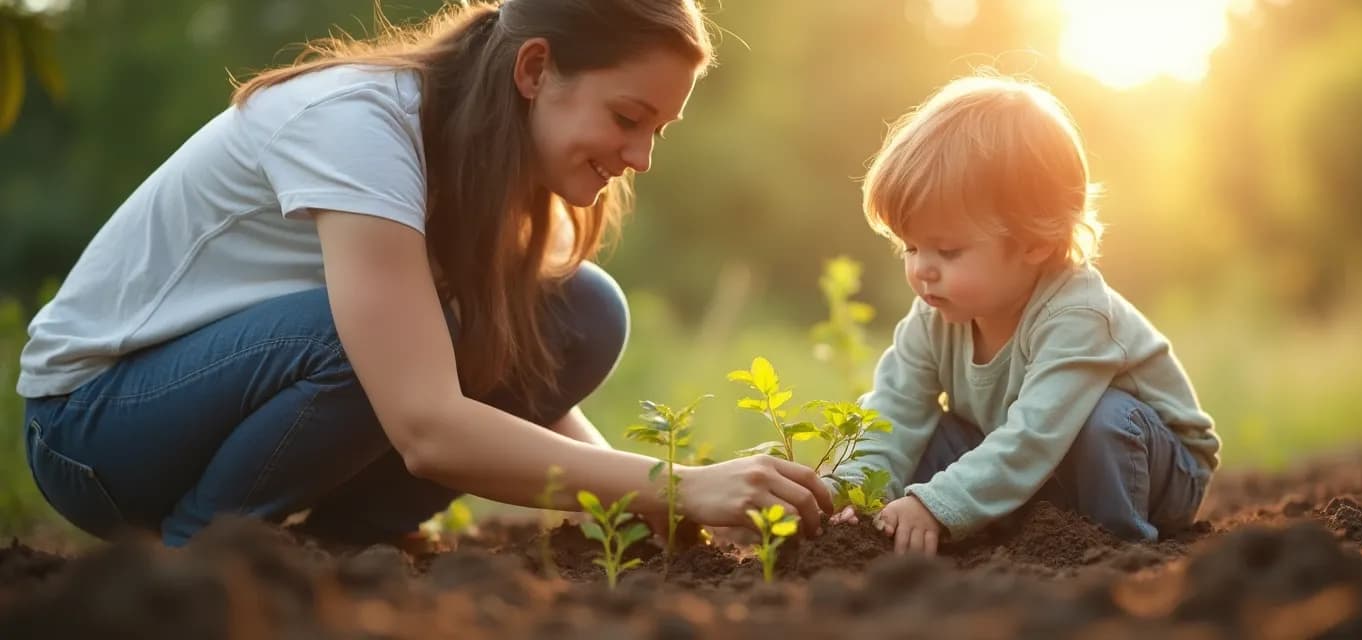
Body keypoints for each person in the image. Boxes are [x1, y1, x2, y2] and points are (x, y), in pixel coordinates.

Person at [18, 0, 830, 548]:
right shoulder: (360, 126)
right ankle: (197, 563)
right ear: (535, 70)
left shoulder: (481, 157)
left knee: (582, 314)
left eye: (659, 129)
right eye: (627, 117)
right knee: (371, 346)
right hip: (95, 430)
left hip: (228, 406)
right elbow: (426, 422)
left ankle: (326, 555)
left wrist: (647, 513)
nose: (642, 157)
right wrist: (679, 485)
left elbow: (524, 384)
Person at [827, 74, 1220, 555]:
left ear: (1035, 242)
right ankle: (1006, 525)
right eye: (911, 246)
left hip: (1155, 470)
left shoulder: (1077, 313)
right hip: (1042, 461)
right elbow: (894, 409)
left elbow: (1035, 435)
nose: (921, 269)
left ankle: (1113, 547)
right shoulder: (932, 318)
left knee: (1105, 419)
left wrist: (938, 503)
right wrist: (850, 494)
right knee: (922, 431)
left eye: (947, 251)